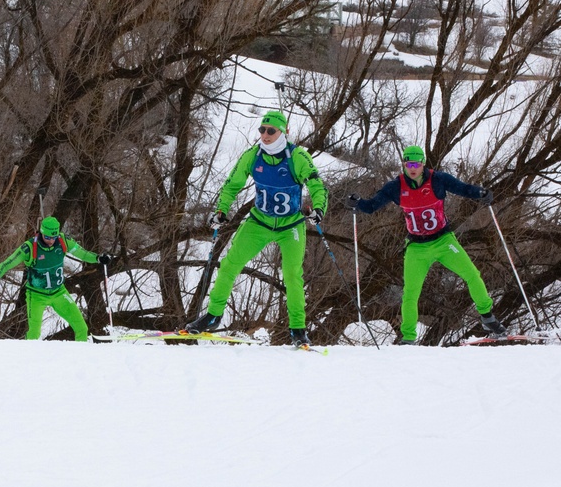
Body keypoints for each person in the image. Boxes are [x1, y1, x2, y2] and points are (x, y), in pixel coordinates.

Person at [186, 110, 328, 347]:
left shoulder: (297, 157)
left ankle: (298, 329)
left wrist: (319, 207)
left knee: (293, 275)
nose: (265, 134)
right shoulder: (253, 156)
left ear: (284, 132)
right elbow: (232, 184)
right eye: (262, 129)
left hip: (290, 225)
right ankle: (212, 316)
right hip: (258, 222)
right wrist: (221, 211)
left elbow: (316, 184)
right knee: (229, 265)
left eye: (270, 130)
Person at [344, 145, 505, 345]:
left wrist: (481, 193)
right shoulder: (396, 186)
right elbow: (371, 207)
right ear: (403, 164)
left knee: (472, 275)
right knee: (411, 292)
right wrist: (357, 202)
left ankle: (487, 317)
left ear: (423, 164)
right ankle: (409, 337)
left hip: (444, 241)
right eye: (408, 164)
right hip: (417, 247)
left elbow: (463, 189)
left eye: (416, 164)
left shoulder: (438, 179)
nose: (412, 168)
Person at [0, 216, 111, 342]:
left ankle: (77, 358)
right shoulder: (30, 247)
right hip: (37, 296)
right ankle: (27, 358)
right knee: (34, 334)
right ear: (42, 233)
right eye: (47, 237)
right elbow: (9, 261)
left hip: (59, 292)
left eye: (54, 237)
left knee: (81, 328)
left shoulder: (63, 241)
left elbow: (82, 253)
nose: (51, 241)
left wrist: (98, 258)